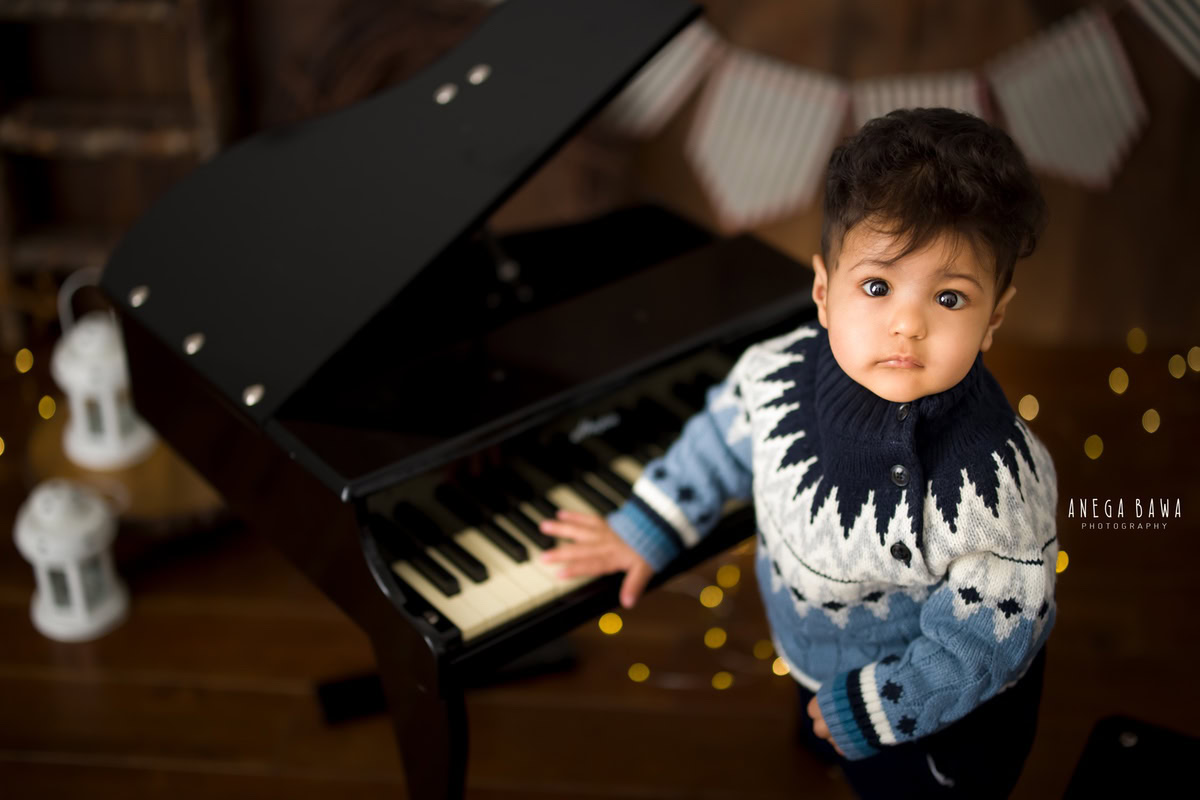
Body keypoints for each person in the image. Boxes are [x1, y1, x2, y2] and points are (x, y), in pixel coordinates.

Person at [537, 107, 1056, 799]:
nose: (908, 322)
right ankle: (822, 729)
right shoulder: (776, 374)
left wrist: (879, 707)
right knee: (824, 726)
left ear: (993, 317)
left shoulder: (994, 485)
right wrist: (648, 528)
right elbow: (720, 439)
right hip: (816, 647)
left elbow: (986, 639)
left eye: (950, 297)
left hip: (935, 708)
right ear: (823, 291)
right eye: (877, 287)